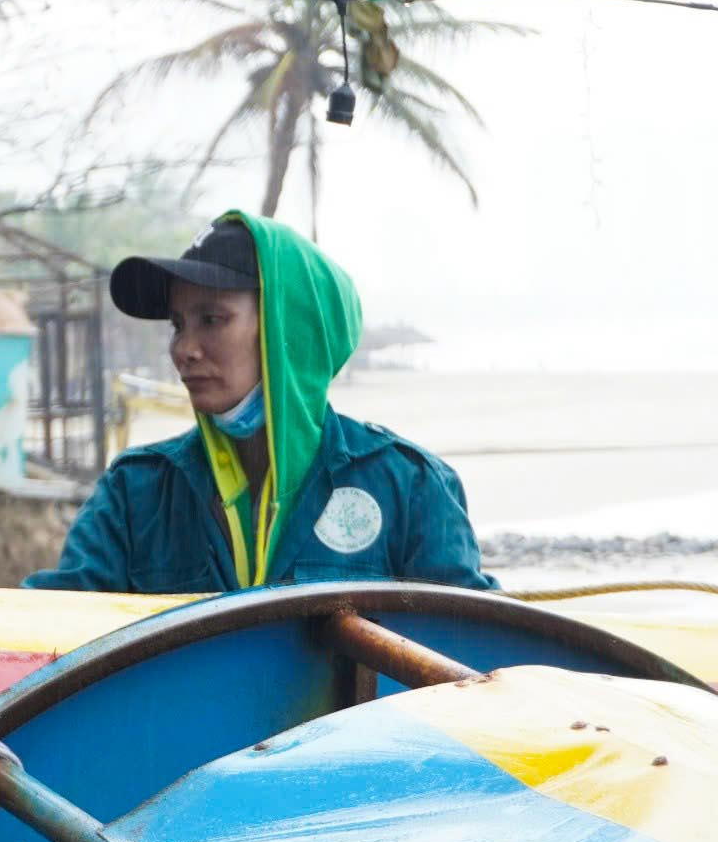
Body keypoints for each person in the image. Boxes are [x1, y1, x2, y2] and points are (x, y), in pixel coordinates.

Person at [27, 210, 491, 594]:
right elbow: (51, 634)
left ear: (286, 329)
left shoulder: (409, 486)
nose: (183, 348)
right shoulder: (136, 493)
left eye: (211, 318)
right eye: (177, 323)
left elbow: (473, 660)